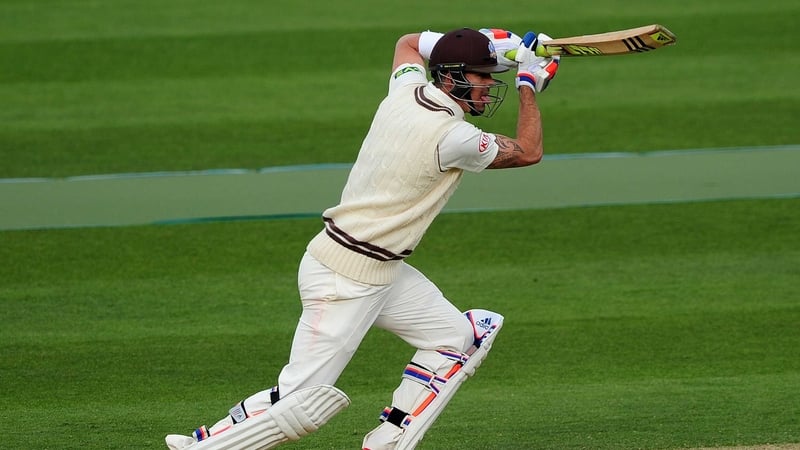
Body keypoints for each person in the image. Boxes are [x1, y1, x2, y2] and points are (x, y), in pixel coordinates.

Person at [166, 26, 560, 450]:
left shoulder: (405, 90)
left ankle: (389, 440)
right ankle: (205, 447)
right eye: (483, 76)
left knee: (457, 338)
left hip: (380, 268)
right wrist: (526, 86)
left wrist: (488, 44)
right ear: (451, 77)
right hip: (345, 279)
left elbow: (408, 42)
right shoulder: (453, 137)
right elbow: (529, 151)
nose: (489, 86)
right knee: (301, 402)